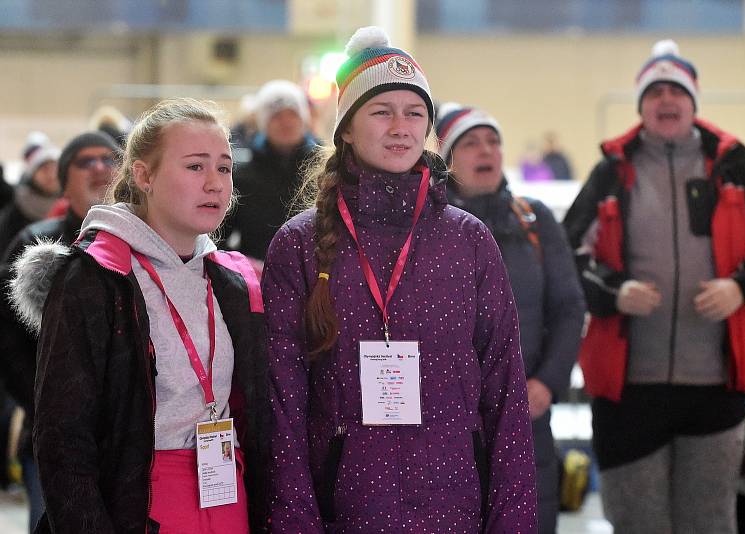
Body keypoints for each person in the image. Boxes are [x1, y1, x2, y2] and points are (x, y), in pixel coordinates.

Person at [262, 26, 536, 533]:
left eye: (414, 114)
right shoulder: (298, 246)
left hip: (456, 507)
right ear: (345, 128)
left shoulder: (468, 240)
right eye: (381, 111)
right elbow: (284, 406)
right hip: (347, 510)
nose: (400, 127)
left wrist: (513, 522)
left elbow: (505, 392)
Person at [562, 39, 745, 533]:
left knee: (708, 523)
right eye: (654, 91)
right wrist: (614, 290)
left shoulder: (737, 169)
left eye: (676, 90)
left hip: (715, 385)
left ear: (694, 101)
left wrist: (741, 286)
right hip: (628, 392)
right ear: (641, 106)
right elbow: (567, 256)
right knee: (638, 522)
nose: (666, 100)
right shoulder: (610, 173)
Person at [7, 98, 270, 533]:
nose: (215, 184)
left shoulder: (232, 280)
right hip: (136, 502)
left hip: (226, 491)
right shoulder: (93, 278)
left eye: (224, 168)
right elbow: (62, 440)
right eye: (195, 167)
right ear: (143, 176)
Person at [436, 104, 586, 533]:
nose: (486, 151)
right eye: (470, 143)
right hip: (450, 422)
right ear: (447, 158)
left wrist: (547, 382)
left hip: (525, 411)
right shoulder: (428, 226)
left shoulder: (534, 220)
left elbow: (568, 307)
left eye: (493, 141)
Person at [0, 130, 118, 533]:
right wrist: (42, 399)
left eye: (109, 158)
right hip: (53, 435)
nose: (101, 167)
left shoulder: (148, 244)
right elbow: (7, 340)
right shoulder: (35, 243)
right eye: (86, 161)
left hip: (128, 436)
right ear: (64, 178)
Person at [221, 79, 318, 270]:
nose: (286, 122)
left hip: (317, 282)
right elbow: (219, 235)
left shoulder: (323, 172)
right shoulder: (242, 178)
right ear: (264, 123)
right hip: (258, 282)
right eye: (276, 116)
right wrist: (239, 269)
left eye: (292, 114)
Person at [0, 144, 61, 255]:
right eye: (45, 169)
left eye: (55, 169)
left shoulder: (72, 205)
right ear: (33, 173)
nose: (51, 176)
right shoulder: (17, 204)